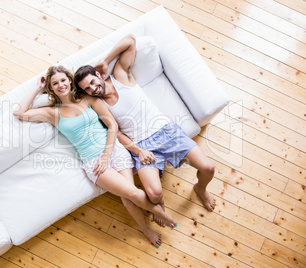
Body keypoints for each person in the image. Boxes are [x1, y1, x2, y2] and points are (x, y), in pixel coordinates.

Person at [14, 65, 178, 247]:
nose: (60, 84)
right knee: (132, 192)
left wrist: (107, 155)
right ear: (51, 88)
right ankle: (161, 215)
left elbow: (113, 126)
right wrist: (38, 88)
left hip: (113, 150)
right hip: (94, 162)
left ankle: (144, 227)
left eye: (62, 80)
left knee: (127, 196)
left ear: (69, 80)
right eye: (54, 83)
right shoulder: (52, 113)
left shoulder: (88, 98)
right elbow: (19, 112)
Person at [74, 34, 216, 226]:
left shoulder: (121, 76)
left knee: (208, 168)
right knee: (154, 194)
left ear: (98, 75)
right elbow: (117, 132)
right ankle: (161, 202)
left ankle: (200, 188)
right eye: (87, 89)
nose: (93, 89)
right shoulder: (99, 104)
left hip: (166, 132)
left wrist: (105, 61)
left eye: (92, 82)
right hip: (141, 144)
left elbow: (130, 40)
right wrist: (138, 151)